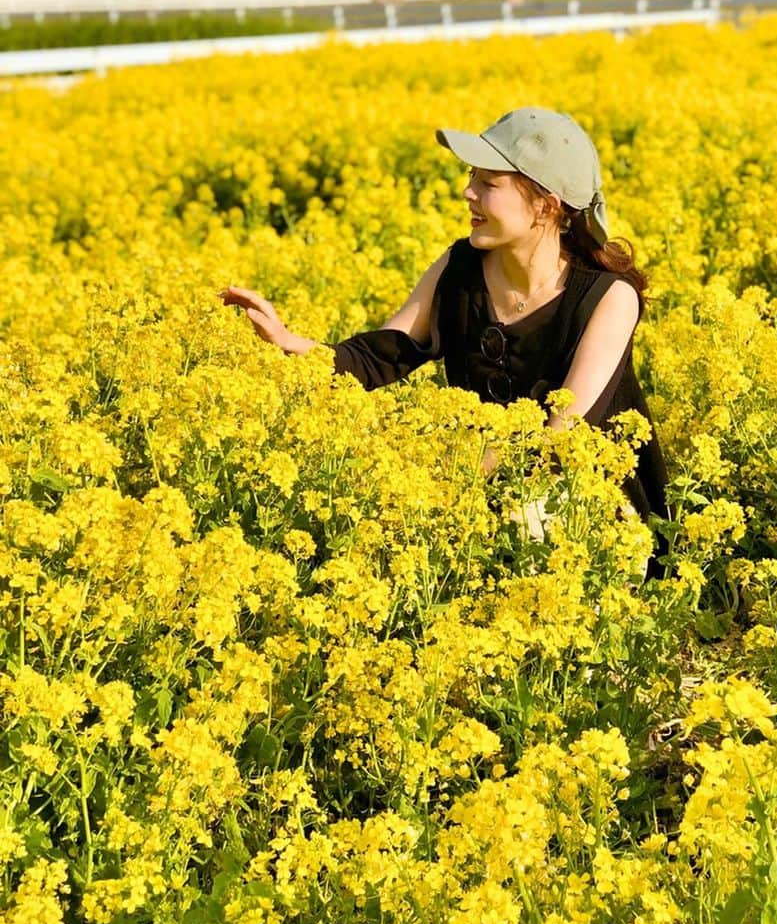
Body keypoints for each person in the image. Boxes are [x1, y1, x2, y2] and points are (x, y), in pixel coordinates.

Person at [219, 106, 669, 577]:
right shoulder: (460, 268)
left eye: (488, 184)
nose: (467, 191)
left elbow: (565, 437)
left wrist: (448, 480)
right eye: (471, 176)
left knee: (525, 519)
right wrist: (289, 342)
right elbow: (383, 354)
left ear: (546, 204)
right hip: (477, 487)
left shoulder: (608, 298)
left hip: (583, 509)